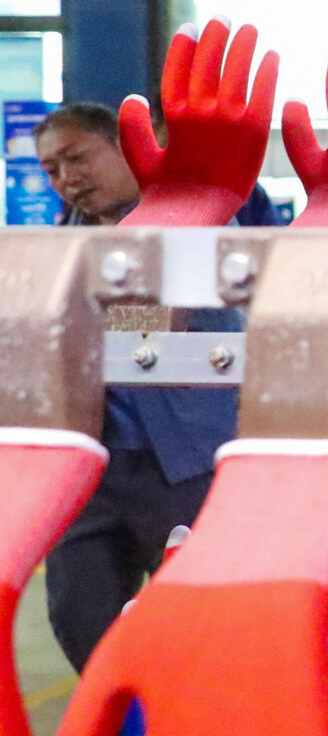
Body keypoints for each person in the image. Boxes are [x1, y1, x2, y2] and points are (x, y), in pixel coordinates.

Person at [32, 103, 277, 692]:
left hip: (185, 455)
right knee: (80, 609)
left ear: (126, 147)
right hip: (88, 461)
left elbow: (149, 326)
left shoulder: (207, 219)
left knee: (207, 610)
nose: (67, 178)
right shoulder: (59, 244)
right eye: (51, 169)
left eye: (77, 158)